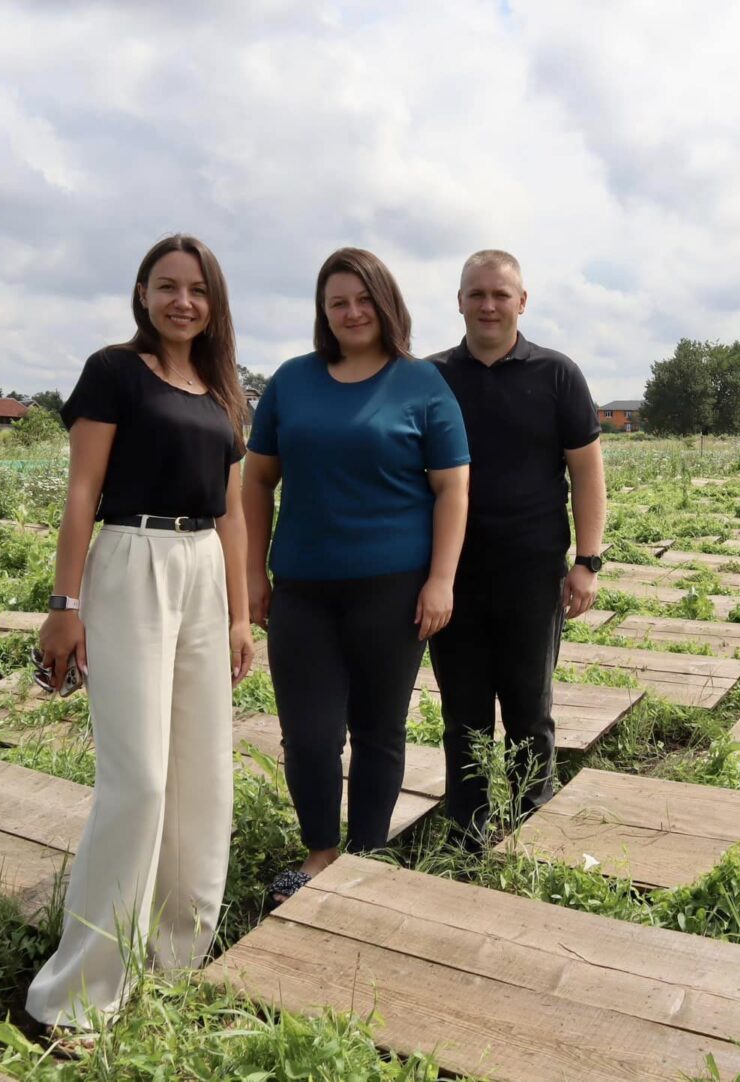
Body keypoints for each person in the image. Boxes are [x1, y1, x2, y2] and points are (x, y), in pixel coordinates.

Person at [28, 235, 254, 1028]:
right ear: (142, 293)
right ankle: (78, 995)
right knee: (141, 779)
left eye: (197, 289)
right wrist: (65, 603)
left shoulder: (224, 391)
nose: (182, 301)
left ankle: (173, 955)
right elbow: (82, 490)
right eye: (167, 286)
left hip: (203, 569)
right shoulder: (114, 371)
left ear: (214, 303)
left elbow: (232, 515)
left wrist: (239, 615)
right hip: (132, 559)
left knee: (202, 772)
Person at [243, 247, 469, 902]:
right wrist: (252, 572)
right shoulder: (292, 381)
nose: (352, 312)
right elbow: (256, 481)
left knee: (378, 730)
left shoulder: (422, 384)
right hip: (303, 592)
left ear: (386, 303)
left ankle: (367, 855)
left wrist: (441, 580)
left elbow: (452, 488)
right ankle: (320, 852)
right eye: (337, 302)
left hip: (393, 590)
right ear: (323, 312)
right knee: (310, 735)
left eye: (363, 299)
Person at [427, 250, 605, 849]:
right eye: (476, 294)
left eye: (500, 294)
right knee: (464, 713)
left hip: (533, 572)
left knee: (530, 708)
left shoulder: (557, 375)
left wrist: (587, 562)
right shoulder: (431, 378)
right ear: (459, 301)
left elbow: (587, 473)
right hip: (451, 575)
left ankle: (534, 827)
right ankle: (468, 831)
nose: (488, 305)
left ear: (521, 302)